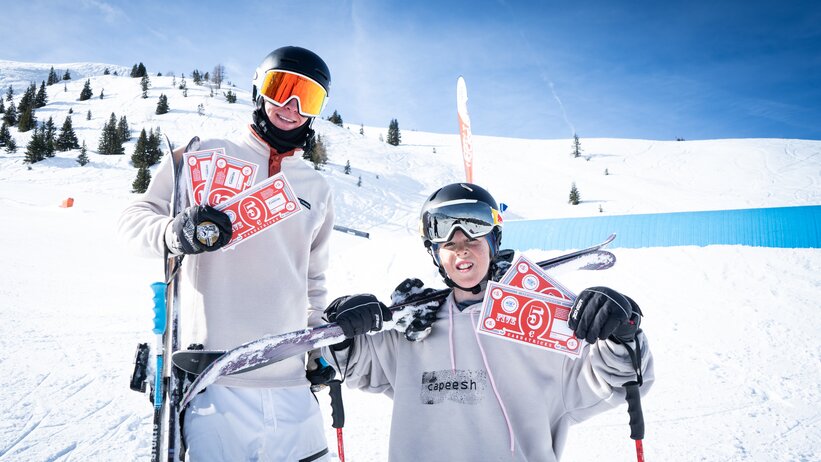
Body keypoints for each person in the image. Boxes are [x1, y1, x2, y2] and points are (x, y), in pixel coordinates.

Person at [322, 182, 654, 461]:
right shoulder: (411, 333)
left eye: (473, 240)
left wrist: (621, 333)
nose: (462, 250)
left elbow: (616, 379)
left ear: (494, 242)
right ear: (435, 254)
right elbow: (342, 363)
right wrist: (345, 325)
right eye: (449, 244)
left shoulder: (539, 325)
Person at [118, 46, 335, 461]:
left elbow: (313, 281)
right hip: (214, 384)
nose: (291, 106)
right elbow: (132, 221)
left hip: (291, 386)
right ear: (259, 90)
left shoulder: (317, 187)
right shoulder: (204, 155)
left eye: (307, 97)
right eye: (281, 88)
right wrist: (174, 233)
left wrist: (317, 347)